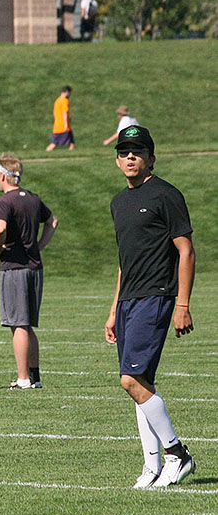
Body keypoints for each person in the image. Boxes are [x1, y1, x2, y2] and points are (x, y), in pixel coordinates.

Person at [104, 124, 196, 489]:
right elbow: (125, 262)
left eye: (138, 152)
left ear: (150, 158)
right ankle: (152, 466)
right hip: (128, 300)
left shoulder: (165, 195)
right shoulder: (118, 202)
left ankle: (177, 455)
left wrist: (183, 303)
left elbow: (185, 250)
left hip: (156, 296)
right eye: (125, 152)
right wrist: (113, 310)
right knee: (141, 382)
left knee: (130, 380)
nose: (130, 157)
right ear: (117, 160)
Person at [0, 154, 57, 389]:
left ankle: (23, 378)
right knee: (27, 324)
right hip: (34, 267)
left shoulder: (4, 201)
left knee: (18, 324)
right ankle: (35, 376)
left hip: (14, 267)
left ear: (2, 175)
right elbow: (52, 221)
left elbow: (0, 228)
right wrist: (40, 245)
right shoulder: (32, 198)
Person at [46, 85, 74, 151]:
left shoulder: (57, 100)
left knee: (72, 142)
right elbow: (64, 112)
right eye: (69, 93)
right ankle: (47, 152)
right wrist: (66, 124)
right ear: (67, 92)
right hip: (63, 127)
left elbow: (54, 112)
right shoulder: (64, 100)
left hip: (58, 125)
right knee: (54, 144)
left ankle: (71, 154)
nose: (69, 94)